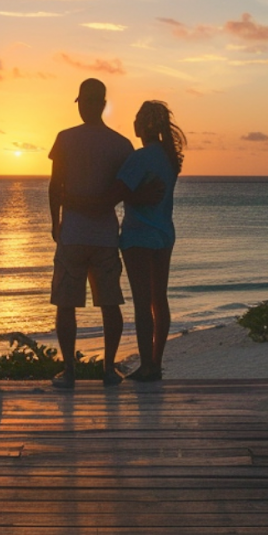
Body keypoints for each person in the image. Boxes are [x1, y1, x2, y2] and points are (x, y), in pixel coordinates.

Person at [67, 101, 184, 383]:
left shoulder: (140, 158)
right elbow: (137, 193)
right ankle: (155, 362)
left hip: (139, 236)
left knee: (143, 303)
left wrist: (76, 201)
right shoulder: (169, 158)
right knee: (160, 300)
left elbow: (113, 196)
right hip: (164, 233)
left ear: (142, 125)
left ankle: (146, 366)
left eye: (136, 119)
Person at [47, 78, 134, 388]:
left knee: (67, 304)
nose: (83, 108)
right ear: (104, 104)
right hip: (105, 235)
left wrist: (55, 222)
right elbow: (126, 190)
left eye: (83, 102)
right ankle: (108, 369)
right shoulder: (121, 144)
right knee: (109, 303)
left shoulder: (65, 138)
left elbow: (55, 186)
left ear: (88, 103)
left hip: (73, 234)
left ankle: (69, 371)